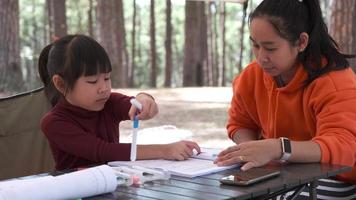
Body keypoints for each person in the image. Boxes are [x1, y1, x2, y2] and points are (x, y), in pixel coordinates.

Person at [214, 0, 356, 199]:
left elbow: (343, 147)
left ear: (301, 42)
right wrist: (250, 152)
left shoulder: (334, 80)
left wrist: (279, 149)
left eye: (271, 48)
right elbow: (240, 123)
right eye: (255, 45)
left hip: (338, 178)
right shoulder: (252, 76)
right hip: (280, 173)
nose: (261, 57)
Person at [38, 34, 200, 171]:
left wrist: (145, 99)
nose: (104, 88)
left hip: (114, 185)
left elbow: (136, 104)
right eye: (93, 81)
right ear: (61, 84)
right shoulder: (54, 122)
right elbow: (104, 152)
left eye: (107, 78)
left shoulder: (109, 102)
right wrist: (165, 150)